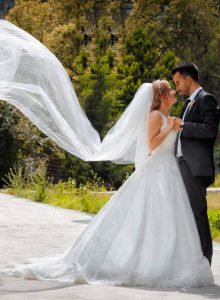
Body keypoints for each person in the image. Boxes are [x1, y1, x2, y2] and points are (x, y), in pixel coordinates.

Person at [0, 21, 215, 287]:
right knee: (153, 219)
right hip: (159, 171)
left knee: (173, 222)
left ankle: (183, 260)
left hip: (171, 170)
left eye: (175, 86)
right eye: (170, 89)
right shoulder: (157, 116)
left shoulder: (174, 113)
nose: (174, 90)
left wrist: (174, 124)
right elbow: (152, 144)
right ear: (160, 97)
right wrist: (171, 127)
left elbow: (192, 132)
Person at [172, 62, 220, 265]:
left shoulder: (206, 99)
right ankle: (191, 260)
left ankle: (204, 262)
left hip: (195, 167)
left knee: (197, 214)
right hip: (183, 166)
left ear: (188, 79)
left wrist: (182, 125)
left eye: (178, 82)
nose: (177, 88)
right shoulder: (188, 103)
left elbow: (210, 130)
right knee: (186, 214)